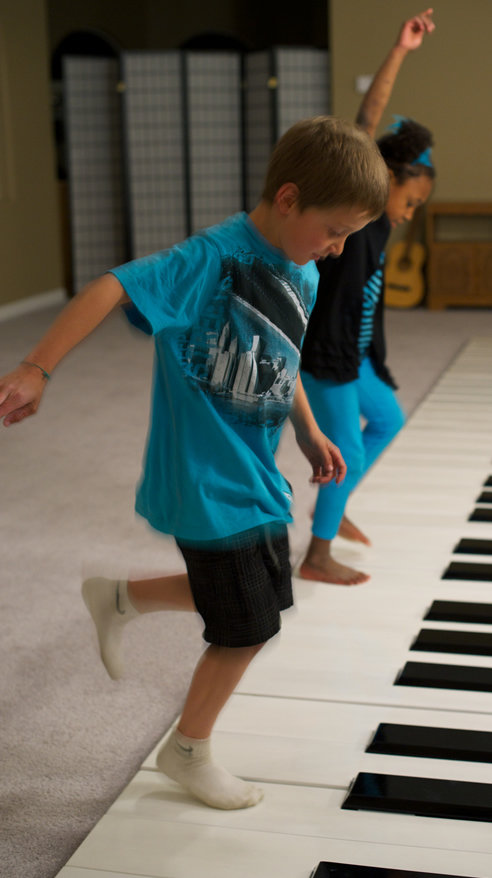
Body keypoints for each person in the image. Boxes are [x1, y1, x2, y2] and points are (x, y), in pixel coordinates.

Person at [0, 116, 389, 810]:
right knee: (247, 627)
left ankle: (120, 597)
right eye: (334, 232)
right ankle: (187, 751)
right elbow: (109, 288)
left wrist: (303, 429)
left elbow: (281, 355)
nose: (336, 251)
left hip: (255, 470)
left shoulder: (299, 269)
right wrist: (36, 367)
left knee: (261, 595)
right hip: (204, 476)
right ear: (290, 198)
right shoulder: (211, 258)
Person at [299, 11, 436, 586]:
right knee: (343, 451)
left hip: (356, 358)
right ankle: (316, 555)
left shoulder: (383, 230)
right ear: (388, 181)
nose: (411, 211)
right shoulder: (366, 208)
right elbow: (367, 120)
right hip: (325, 357)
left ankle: (334, 505)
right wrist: (400, 50)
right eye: (411, 199)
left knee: (387, 419)